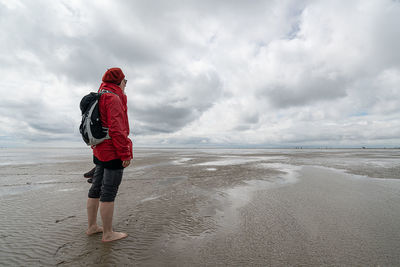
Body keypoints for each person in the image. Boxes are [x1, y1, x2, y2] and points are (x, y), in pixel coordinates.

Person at [85, 67, 133, 242]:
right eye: (125, 81)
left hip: (99, 149)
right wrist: (125, 153)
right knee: (109, 192)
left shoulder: (99, 95)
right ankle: (107, 233)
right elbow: (117, 130)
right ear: (119, 81)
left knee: (96, 189)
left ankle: (92, 227)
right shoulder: (112, 98)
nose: (126, 84)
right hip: (112, 151)